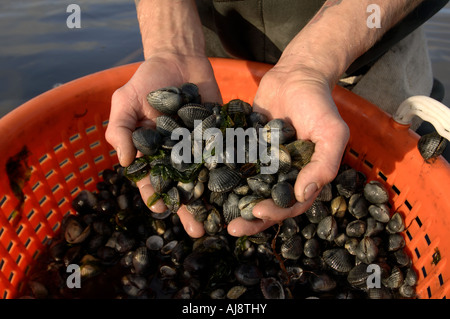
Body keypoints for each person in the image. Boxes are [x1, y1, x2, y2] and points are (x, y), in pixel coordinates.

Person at [105, 0, 446, 239]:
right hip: (205, 51)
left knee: (368, 170)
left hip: (362, 46)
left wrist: (314, 62)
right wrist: (171, 42)